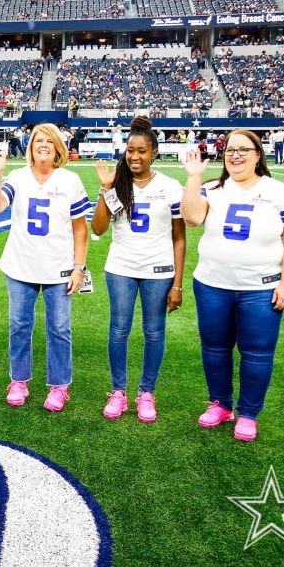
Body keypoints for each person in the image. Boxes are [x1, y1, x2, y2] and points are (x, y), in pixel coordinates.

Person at [179, 130, 284, 442]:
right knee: (215, 348)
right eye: (230, 150)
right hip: (212, 284)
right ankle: (221, 403)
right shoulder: (213, 189)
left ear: (258, 155)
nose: (235, 155)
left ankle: (248, 413)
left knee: (257, 353)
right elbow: (192, 218)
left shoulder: (279, 192)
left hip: (260, 287)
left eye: (243, 150)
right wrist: (194, 178)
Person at [0, 123, 88, 411]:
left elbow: (81, 229)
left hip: (59, 268)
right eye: (38, 140)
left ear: (58, 148)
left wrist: (79, 266)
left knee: (59, 329)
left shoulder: (70, 180)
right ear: (30, 145)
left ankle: (58, 385)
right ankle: (18, 380)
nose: (43, 145)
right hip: (20, 266)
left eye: (49, 141)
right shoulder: (16, 177)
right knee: (19, 326)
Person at [90, 116, 186, 422]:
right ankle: (118, 392)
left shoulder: (170, 187)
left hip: (159, 270)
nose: (135, 156)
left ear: (154, 152)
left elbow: (180, 238)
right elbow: (99, 228)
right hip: (120, 267)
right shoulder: (116, 183)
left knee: (154, 332)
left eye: (142, 151)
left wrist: (178, 284)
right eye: (131, 150)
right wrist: (106, 190)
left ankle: (146, 393)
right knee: (118, 330)